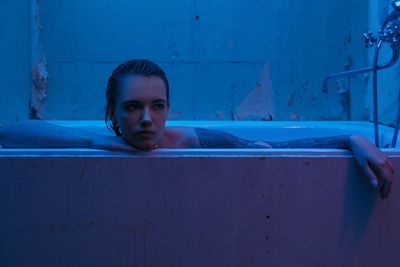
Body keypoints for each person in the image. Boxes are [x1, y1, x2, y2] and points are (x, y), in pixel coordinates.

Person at [0, 59, 394, 198]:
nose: (147, 120)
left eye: (157, 106)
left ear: (169, 108)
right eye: (133, 108)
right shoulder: (94, 140)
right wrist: (91, 140)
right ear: (113, 112)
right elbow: (10, 134)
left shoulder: (190, 140)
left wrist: (348, 137)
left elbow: (266, 148)